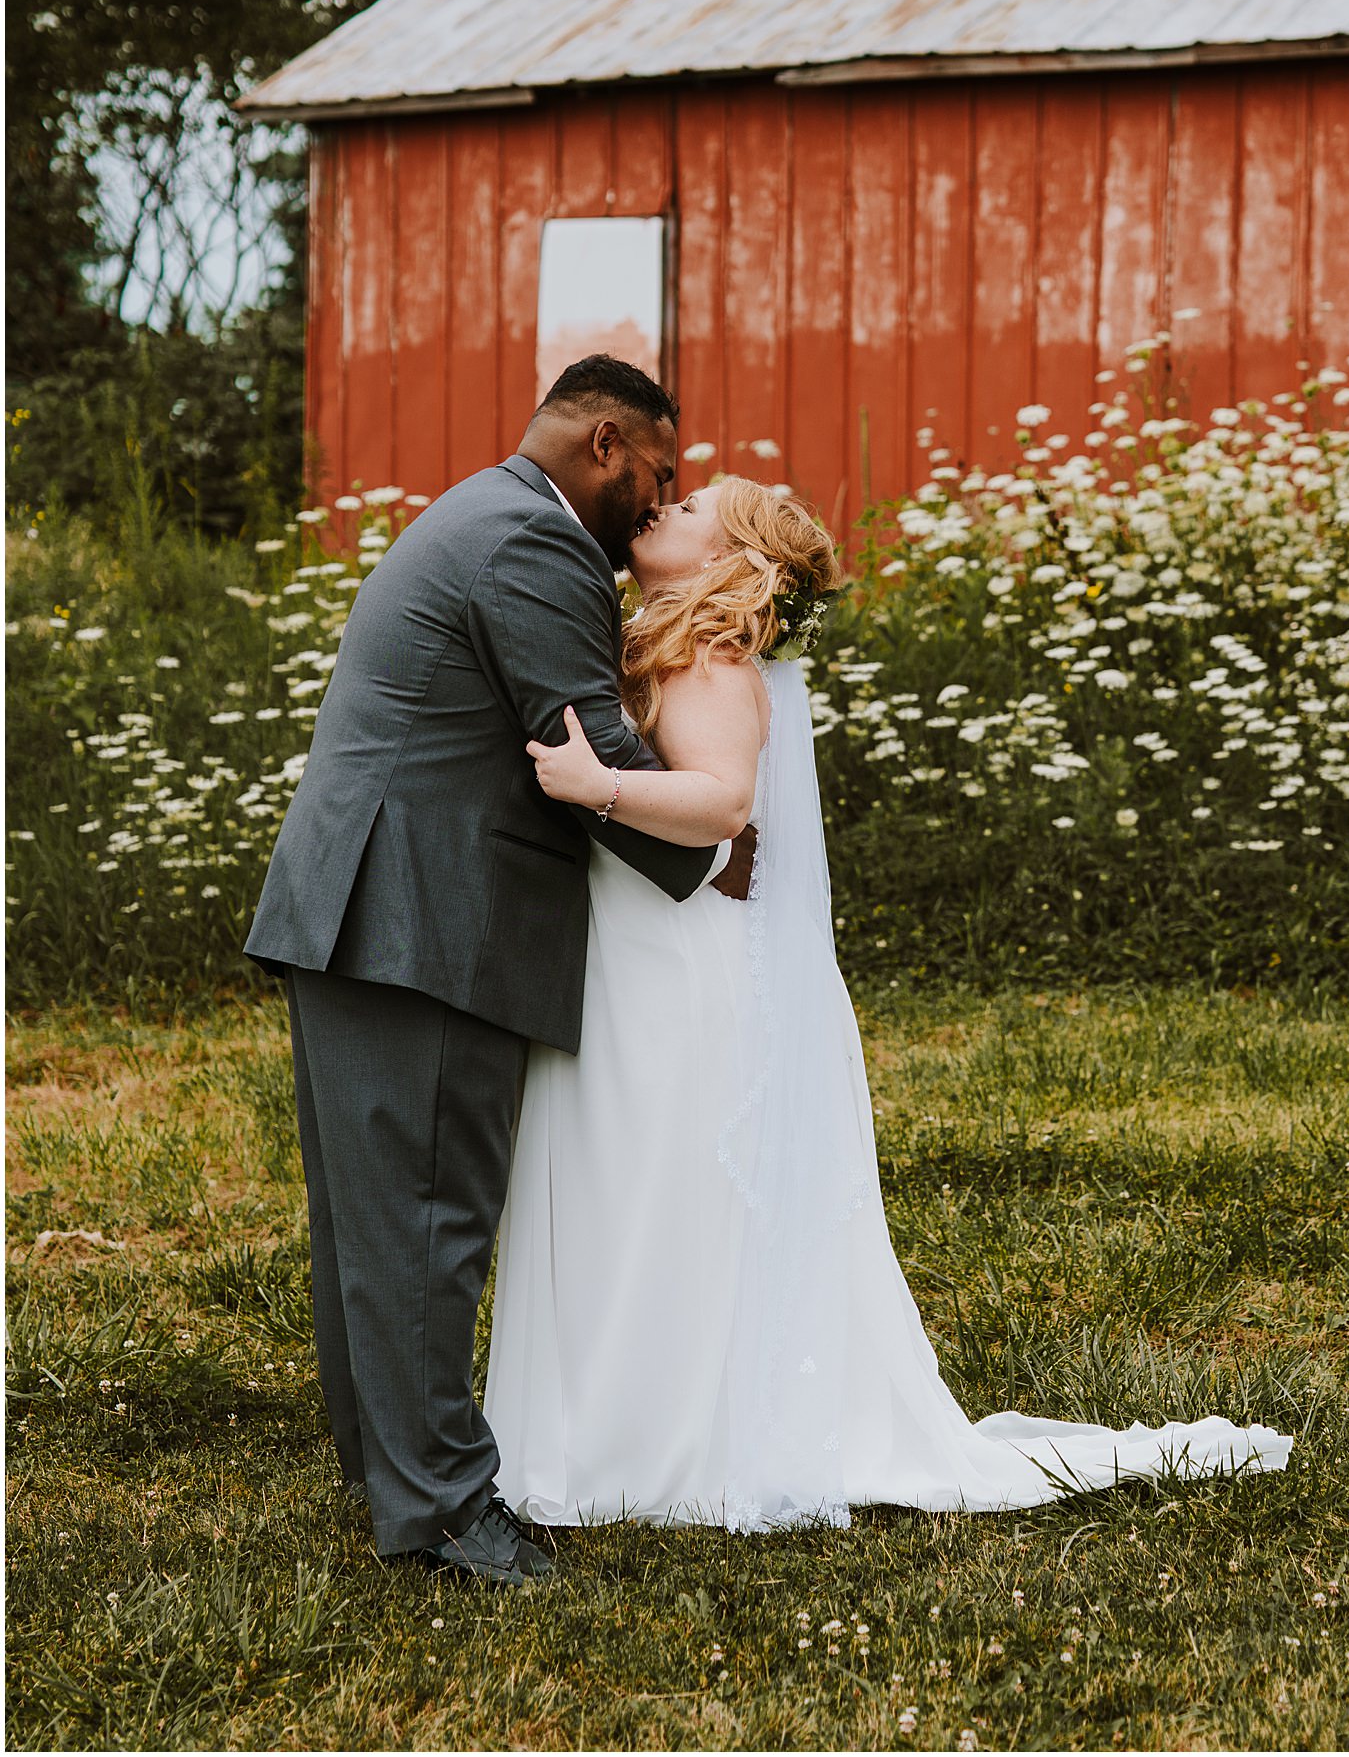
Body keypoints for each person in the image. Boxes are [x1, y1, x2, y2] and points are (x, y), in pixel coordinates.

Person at [488, 474, 1293, 1530]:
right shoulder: (671, 641)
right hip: (636, 951)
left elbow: (723, 803)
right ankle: (607, 1429)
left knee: (653, 1193)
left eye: (692, 511)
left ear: (730, 558)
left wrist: (600, 785)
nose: (663, 509)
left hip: (675, 966)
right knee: (621, 1187)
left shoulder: (715, 659)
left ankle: (658, 1444)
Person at [244, 356, 753, 1587]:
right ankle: (444, 1512)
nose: (659, 497)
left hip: (374, 914)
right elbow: (582, 737)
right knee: (425, 1221)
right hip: (420, 923)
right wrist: (722, 865)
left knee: (379, 1226)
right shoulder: (535, 546)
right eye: (659, 471)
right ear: (602, 442)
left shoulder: (486, 511)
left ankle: (395, 1472)